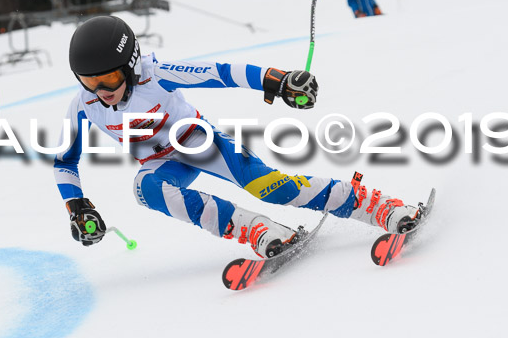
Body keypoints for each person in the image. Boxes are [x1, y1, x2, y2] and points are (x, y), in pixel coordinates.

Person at [54, 16, 422, 257]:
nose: (101, 90)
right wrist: (77, 206)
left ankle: (379, 206)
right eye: (89, 81)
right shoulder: (84, 105)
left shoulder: (156, 74)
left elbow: (220, 71)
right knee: (144, 190)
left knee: (270, 187)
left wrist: (277, 81)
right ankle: (256, 229)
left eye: (110, 79)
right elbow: (65, 160)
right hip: (160, 163)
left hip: (197, 142)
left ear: (131, 64)